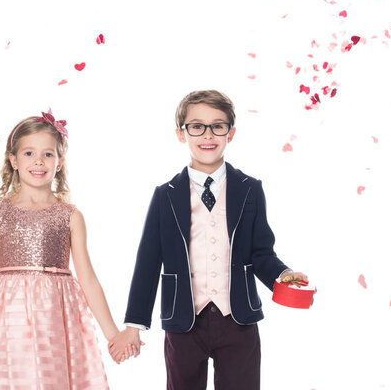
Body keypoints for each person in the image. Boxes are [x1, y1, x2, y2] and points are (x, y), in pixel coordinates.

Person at [109, 90, 309, 389]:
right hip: (183, 321)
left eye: (218, 125)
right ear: (181, 133)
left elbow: (262, 253)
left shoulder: (250, 189)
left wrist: (283, 274)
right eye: (196, 126)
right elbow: (148, 263)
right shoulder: (165, 195)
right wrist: (134, 325)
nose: (208, 134)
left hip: (239, 319)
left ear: (231, 132)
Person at [0, 111, 118, 389]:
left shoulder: (70, 216)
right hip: (13, 322)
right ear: (13, 160)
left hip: (57, 318)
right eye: (28, 153)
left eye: (48, 154)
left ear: (59, 162)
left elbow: (87, 279)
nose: (38, 161)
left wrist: (113, 334)